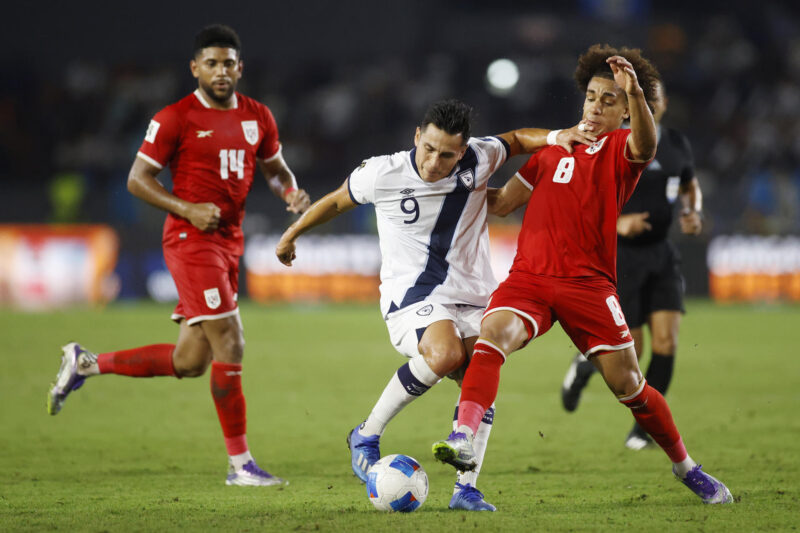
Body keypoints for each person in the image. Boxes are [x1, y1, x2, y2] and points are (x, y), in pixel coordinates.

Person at [431, 45, 732, 506]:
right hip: (529, 278)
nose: (595, 106)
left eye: (608, 100)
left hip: (588, 285)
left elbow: (646, 145)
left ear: (625, 111)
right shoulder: (551, 151)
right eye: (592, 96)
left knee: (629, 386)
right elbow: (504, 203)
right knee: (491, 337)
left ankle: (685, 467)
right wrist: (450, 186)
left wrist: (634, 94)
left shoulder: (619, 150)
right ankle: (463, 436)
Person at [275, 99, 592, 511]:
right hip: (413, 297)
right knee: (445, 354)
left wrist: (555, 136)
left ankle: (465, 489)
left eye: (446, 154)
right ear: (417, 138)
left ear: (462, 151)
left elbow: (514, 140)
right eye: (428, 148)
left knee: (480, 372)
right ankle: (366, 435)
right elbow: (336, 201)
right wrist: (291, 235)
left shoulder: (479, 157)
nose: (434, 161)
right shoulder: (383, 172)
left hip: (474, 295)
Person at [47, 24, 310, 487]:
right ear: (195, 68)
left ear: (240, 67)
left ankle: (86, 362)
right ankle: (241, 466)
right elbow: (137, 179)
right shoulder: (175, 118)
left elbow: (274, 168)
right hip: (191, 241)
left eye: (228, 62)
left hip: (229, 242)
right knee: (232, 340)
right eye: (211, 62)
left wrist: (289, 191)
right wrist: (187, 207)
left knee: (190, 361)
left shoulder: (258, 117)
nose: (221, 70)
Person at [560, 79, 705, 451]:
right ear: (628, 105)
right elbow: (581, 202)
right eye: (640, 96)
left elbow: (689, 184)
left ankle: (645, 429)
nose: (648, 102)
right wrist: (619, 223)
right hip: (620, 255)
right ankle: (583, 366)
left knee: (666, 340)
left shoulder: (675, 144)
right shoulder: (616, 146)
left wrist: (692, 211)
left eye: (653, 96)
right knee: (632, 348)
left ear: (664, 102)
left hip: (662, 253)